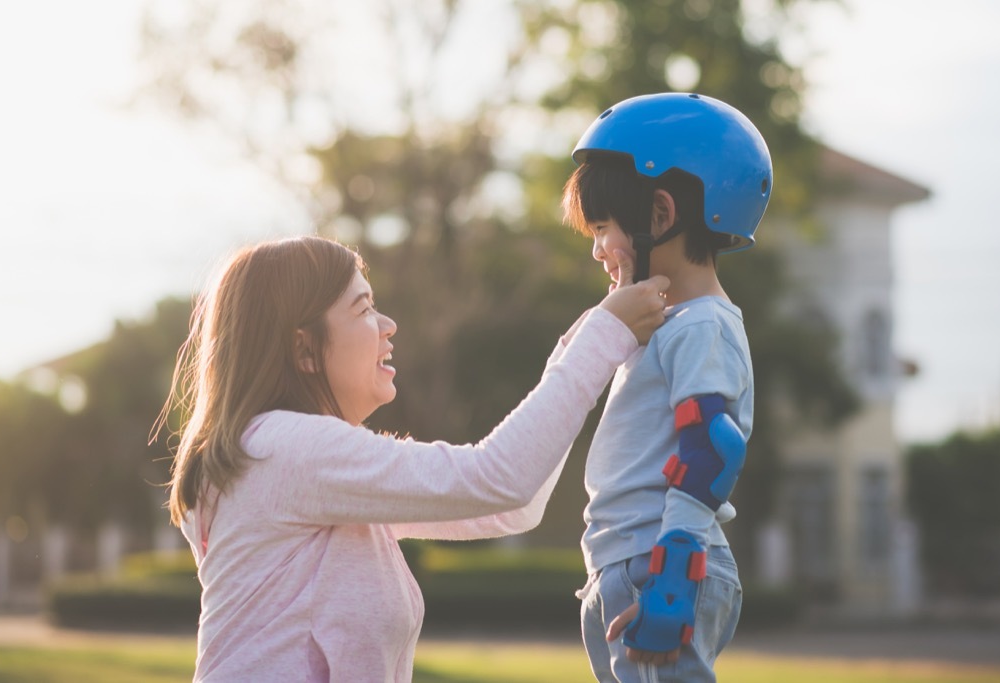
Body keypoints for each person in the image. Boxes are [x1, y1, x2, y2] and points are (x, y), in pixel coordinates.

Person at [154, 234, 670, 682]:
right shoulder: (287, 449)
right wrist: (604, 335)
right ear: (304, 350)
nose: (388, 324)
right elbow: (499, 480)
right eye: (362, 309)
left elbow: (511, 504)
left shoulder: (292, 461)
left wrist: (594, 334)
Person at [560, 92, 773, 682]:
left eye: (602, 228)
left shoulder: (701, 325)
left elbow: (711, 450)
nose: (598, 248)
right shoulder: (665, 323)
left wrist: (672, 581)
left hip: (662, 562)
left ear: (659, 216)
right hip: (630, 561)